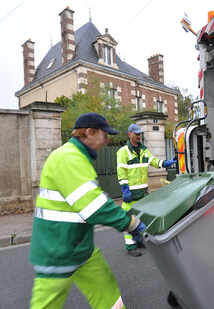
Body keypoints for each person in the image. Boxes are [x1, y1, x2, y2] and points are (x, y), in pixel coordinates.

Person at [29, 113, 146, 309]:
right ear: (89, 132)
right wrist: (130, 223)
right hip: (57, 250)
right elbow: (94, 205)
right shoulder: (68, 158)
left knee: (110, 298)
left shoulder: (79, 158)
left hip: (81, 248)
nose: (107, 141)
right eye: (104, 135)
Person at [117, 123, 176, 257]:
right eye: (136, 133)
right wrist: (125, 189)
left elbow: (154, 161)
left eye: (140, 134)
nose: (138, 136)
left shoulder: (144, 150)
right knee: (128, 220)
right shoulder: (123, 152)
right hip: (130, 194)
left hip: (142, 192)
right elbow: (121, 172)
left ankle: (137, 241)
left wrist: (165, 163)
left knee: (140, 218)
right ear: (129, 134)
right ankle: (130, 246)